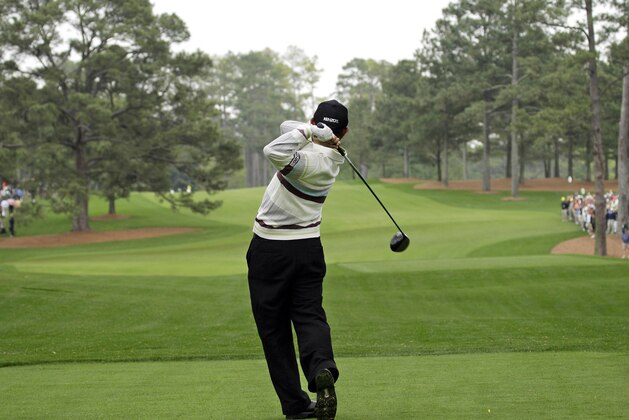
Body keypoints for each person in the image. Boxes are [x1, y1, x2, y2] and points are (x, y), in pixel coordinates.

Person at [246, 99, 349, 420]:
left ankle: (296, 405)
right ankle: (322, 367)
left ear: (315, 121)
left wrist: (310, 130)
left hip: (270, 251)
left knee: (273, 330)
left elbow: (272, 150)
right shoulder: (333, 155)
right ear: (345, 132)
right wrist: (317, 132)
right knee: (308, 315)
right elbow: (285, 128)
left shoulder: (312, 162)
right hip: (308, 250)